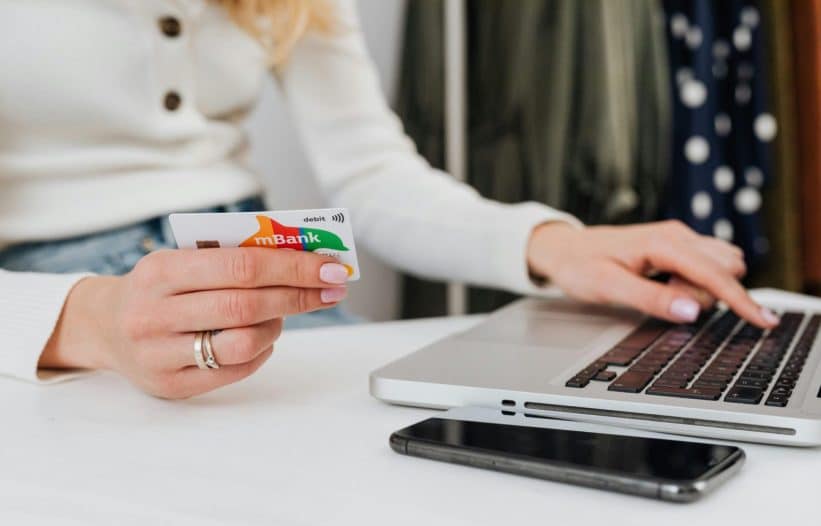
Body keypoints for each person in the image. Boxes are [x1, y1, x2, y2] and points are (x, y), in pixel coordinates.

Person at [0, 0, 777, 399]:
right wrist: (84, 320)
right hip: (46, 318)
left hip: (264, 283)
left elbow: (371, 174)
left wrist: (549, 244)